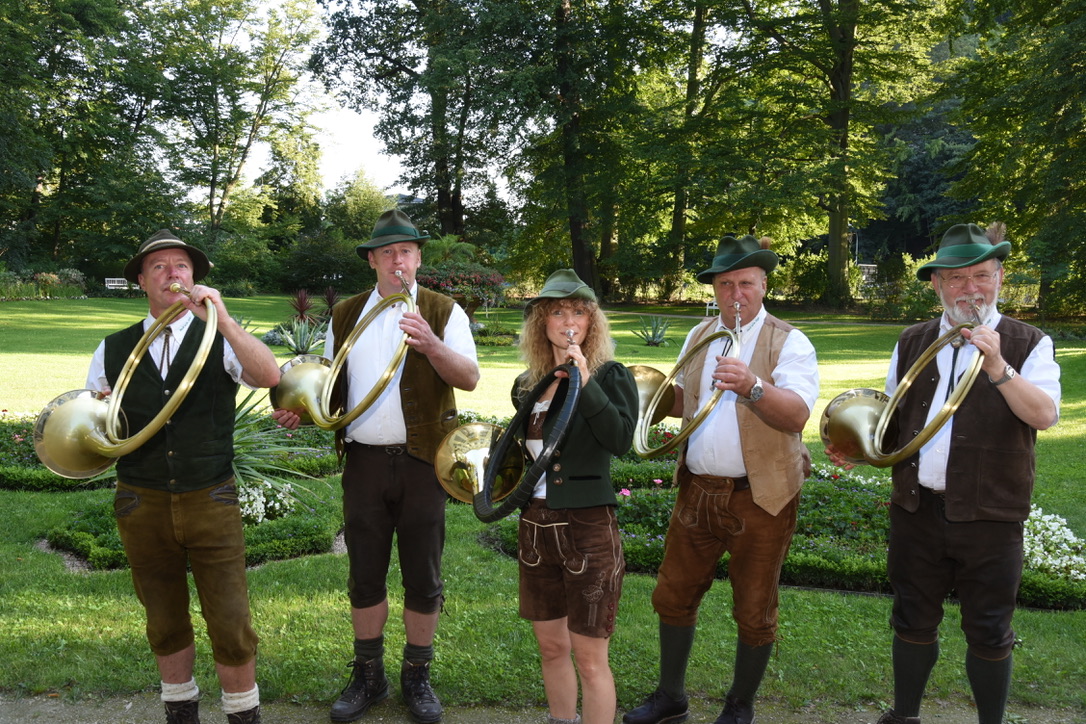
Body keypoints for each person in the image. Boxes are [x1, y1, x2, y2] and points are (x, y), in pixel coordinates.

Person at [827, 223, 1061, 724]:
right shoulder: (912, 340)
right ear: (936, 284)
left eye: (981, 275)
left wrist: (998, 366)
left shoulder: (1029, 342)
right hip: (917, 509)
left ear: (1000, 278)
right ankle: (905, 716)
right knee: (911, 617)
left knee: (990, 628)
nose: (969, 289)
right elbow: (893, 420)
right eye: (956, 278)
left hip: (991, 514)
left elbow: (1044, 415)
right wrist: (857, 447)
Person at [273, 209, 479, 724]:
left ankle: (417, 675)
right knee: (364, 575)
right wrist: (299, 410)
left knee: (424, 576)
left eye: (405, 251)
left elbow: (470, 378)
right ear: (372, 261)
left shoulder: (443, 310)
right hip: (363, 462)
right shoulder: (346, 314)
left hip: (422, 464)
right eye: (386, 252)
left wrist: (431, 344)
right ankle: (369, 674)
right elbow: (330, 385)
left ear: (419, 258)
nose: (396, 260)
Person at [85, 230, 283, 724]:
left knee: (231, 619)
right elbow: (93, 425)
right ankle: (180, 712)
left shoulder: (219, 334)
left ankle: (243, 713)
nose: (172, 274)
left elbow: (269, 376)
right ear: (141, 281)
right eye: (159, 266)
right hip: (141, 500)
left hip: (210, 496)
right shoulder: (112, 348)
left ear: (194, 278)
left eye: (182, 266)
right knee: (163, 618)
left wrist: (225, 320)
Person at [624, 235, 819, 724]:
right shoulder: (701, 335)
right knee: (673, 595)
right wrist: (637, 393)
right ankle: (671, 697)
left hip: (761, 497)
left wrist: (753, 387)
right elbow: (684, 401)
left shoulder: (790, 341)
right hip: (697, 490)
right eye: (725, 284)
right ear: (714, 288)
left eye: (745, 284)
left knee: (754, 609)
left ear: (764, 285)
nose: (735, 294)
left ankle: (740, 706)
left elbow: (797, 415)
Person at [511, 270, 638, 724]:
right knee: (551, 647)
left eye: (579, 313)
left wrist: (585, 382)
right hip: (535, 526)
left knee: (590, 658)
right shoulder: (526, 384)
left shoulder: (610, 375)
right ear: (541, 323)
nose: (569, 322)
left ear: (591, 323)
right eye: (558, 312)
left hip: (588, 527)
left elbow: (620, 440)